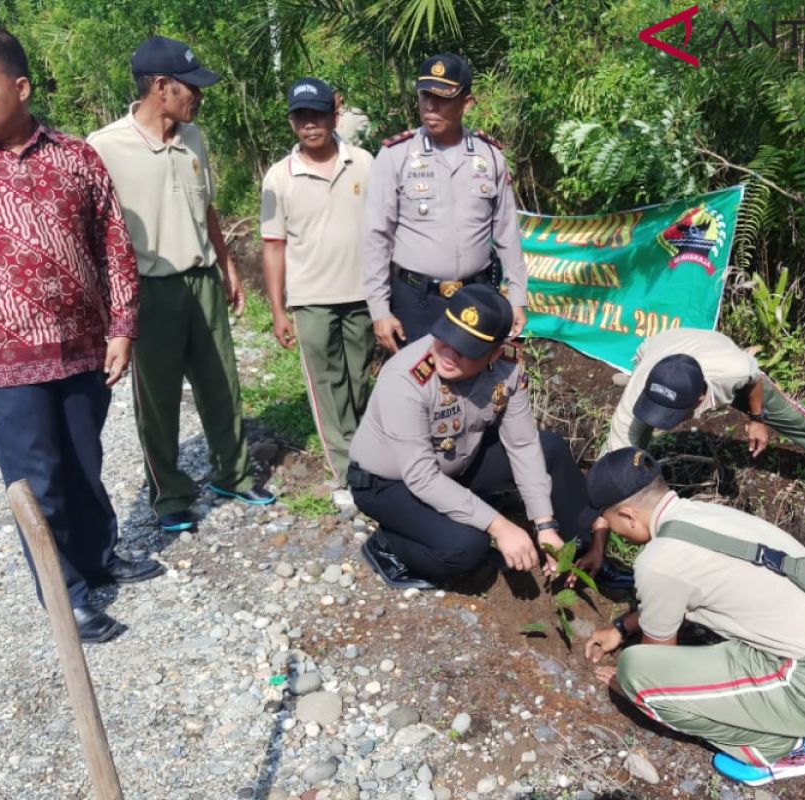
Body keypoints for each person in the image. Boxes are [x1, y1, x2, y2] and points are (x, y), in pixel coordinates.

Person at [0, 24, 162, 643]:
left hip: (82, 349)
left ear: (19, 87)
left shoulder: (76, 158)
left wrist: (122, 326)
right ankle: (64, 597)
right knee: (36, 480)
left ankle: (99, 557)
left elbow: (113, 247)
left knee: (84, 462)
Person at [583, 448, 805, 786]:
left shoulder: (659, 561)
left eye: (608, 520)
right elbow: (679, 591)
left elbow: (658, 661)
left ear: (628, 515)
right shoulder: (704, 515)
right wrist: (621, 627)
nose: (612, 530)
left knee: (636, 671)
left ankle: (783, 749)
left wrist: (629, 685)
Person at [88, 36, 274, 533]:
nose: (200, 97)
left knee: (222, 383)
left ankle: (232, 474)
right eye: (192, 88)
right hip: (149, 290)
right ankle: (169, 496)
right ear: (160, 86)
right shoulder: (104, 147)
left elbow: (206, 207)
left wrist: (227, 265)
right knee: (159, 396)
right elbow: (93, 232)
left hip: (203, 280)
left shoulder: (193, 138)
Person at [346, 284, 608, 589]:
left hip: (457, 463)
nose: (447, 354)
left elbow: (522, 443)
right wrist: (500, 526)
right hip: (390, 484)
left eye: (465, 350)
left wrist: (544, 523)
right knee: (466, 547)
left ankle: (580, 547)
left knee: (550, 447)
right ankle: (388, 543)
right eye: (445, 339)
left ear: (495, 352)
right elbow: (422, 478)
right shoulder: (406, 380)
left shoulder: (508, 365)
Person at [362, 52, 528, 353]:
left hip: (476, 294)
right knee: (416, 384)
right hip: (416, 299)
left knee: (474, 385)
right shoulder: (396, 156)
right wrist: (379, 310)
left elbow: (507, 233)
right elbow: (376, 237)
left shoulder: (489, 155)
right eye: (425, 95)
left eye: (443, 97)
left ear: (466, 103)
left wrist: (518, 297)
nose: (430, 105)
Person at [260, 77, 375, 485]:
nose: (310, 124)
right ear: (292, 123)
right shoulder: (280, 177)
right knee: (327, 386)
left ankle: (364, 448)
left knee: (358, 377)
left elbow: (383, 230)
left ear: (334, 115)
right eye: (301, 116)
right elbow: (273, 247)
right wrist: (278, 309)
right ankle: (345, 470)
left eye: (318, 114)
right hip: (311, 299)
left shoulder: (363, 163)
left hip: (361, 293)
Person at [605, 328, 805, 486]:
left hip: (714, 354)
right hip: (657, 348)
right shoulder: (637, 395)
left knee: (794, 417)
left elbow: (753, 379)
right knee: (633, 441)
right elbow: (612, 462)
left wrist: (758, 419)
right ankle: (635, 383)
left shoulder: (732, 370)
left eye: (674, 414)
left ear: (699, 401)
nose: (670, 422)